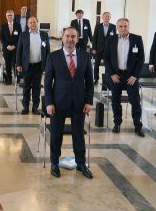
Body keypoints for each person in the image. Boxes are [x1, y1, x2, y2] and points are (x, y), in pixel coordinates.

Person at [44, 27, 94, 179]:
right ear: (62, 38)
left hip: (79, 103)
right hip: (58, 103)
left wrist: (89, 101)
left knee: (78, 135)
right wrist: (49, 103)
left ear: (77, 39)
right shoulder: (53, 56)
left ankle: (81, 163)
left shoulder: (85, 56)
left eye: (73, 36)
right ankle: (54, 163)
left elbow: (90, 82)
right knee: (56, 135)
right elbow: (47, 82)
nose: (70, 39)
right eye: (67, 36)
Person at [103, 18, 145, 137]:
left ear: (128, 26)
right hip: (116, 76)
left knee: (135, 101)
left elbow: (141, 59)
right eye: (120, 26)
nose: (123, 28)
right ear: (117, 27)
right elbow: (106, 58)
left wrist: (135, 76)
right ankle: (117, 123)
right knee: (115, 100)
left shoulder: (137, 39)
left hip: (130, 76)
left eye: (125, 26)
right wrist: (111, 74)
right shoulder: (111, 39)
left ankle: (138, 126)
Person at [16, 16, 50, 115]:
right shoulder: (23, 35)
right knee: (26, 87)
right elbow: (19, 51)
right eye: (30, 23)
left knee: (37, 88)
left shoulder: (44, 35)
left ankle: (35, 108)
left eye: (34, 22)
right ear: (28, 24)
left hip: (38, 66)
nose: (32, 24)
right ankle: (25, 107)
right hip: (27, 66)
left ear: (37, 23)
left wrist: (47, 65)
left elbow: (47, 51)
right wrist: (18, 64)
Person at [92, 12, 114, 85]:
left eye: (108, 16)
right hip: (98, 49)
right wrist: (93, 48)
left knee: (107, 66)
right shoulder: (98, 26)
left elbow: (114, 38)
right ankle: (96, 78)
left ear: (110, 18)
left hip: (109, 50)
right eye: (105, 16)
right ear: (102, 17)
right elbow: (94, 38)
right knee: (96, 65)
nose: (106, 18)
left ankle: (106, 80)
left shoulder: (113, 27)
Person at [0, 9, 19, 85]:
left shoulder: (18, 25)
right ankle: (9, 79)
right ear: (6, 16)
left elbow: (19, 37)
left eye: (11, 15)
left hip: (15, 49)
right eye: (8, 15)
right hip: (6, 49)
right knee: (8, 64)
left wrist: (14, 46)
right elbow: (1, 37)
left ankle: (17, 79)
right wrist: (7, 45)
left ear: (13, 16)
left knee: (15, 64)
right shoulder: (3, 26)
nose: (9, 17)